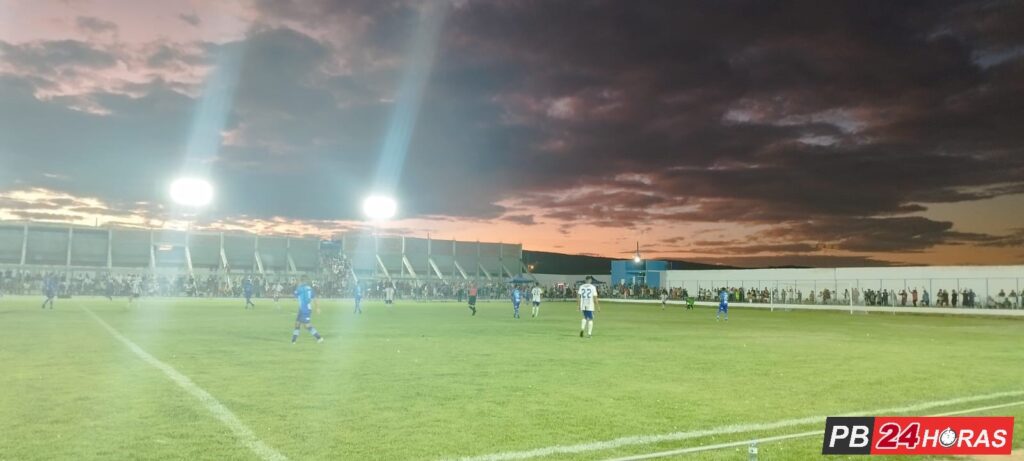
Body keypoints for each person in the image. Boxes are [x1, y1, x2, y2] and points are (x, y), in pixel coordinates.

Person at [292, 278, 323, 344]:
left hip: (305, 309)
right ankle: (293, 341)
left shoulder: (299, 288)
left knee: (306, 325)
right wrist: (317, 308)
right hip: (303, 309)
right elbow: (315, 298)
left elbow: (294, 296)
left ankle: (319, 338)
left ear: (301, 281)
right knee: (297, 324)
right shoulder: (309, 288)